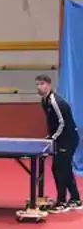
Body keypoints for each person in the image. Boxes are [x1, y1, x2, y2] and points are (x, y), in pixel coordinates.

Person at [36, 74, 82, 213]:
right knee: (63, 169)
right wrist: (51, 135)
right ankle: (75, 199)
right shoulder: (44, 101)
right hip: (61, 139)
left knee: (60, 169)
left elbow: (62, 122)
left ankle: (62, 201)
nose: (39, 87)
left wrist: (53, 137)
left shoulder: (56, 101)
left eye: (42, 84)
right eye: (37, 84)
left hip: (68, 139)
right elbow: (52, 121)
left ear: (49, 85)